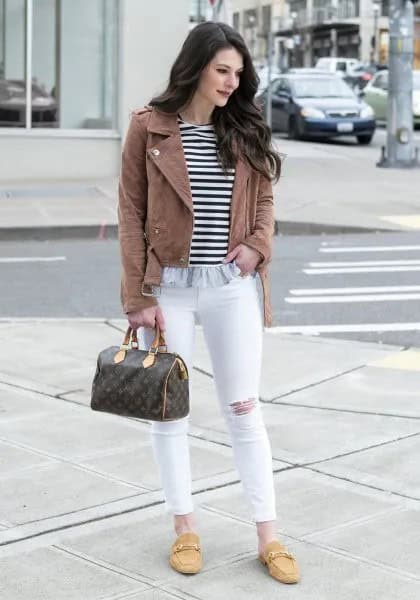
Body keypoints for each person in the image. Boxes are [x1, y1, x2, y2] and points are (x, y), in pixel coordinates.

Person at [117, 21, 300, 584]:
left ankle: (268, 534)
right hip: (168, 288)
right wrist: (137, 296)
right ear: (196, 67)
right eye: (223, 70)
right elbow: (130, 213)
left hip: (231, 289)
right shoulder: (148, 128)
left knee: (244, 409)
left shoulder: (243, 126)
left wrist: (256, 246)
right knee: (171, 413)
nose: (230, 82)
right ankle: (185, 528)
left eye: (238, 73)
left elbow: (264, 198)